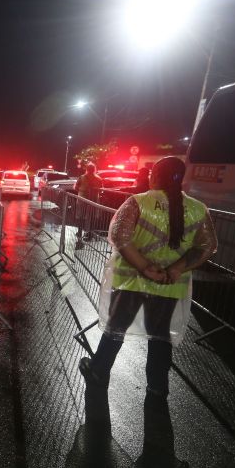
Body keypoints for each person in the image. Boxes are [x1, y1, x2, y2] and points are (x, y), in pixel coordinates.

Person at [79, 156, 217, 400]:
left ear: (155, 175)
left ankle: (99, 371)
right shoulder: (198, 209)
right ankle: (157, 387)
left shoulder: (138, 202)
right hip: (169, 287)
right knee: (160, 336)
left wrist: (144, 267)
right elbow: (207, 246)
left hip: (131, 281)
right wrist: (176, 269)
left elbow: (120, 237)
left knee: (116, 328)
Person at [74, 162, 104, 242]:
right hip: (93, 200)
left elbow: (76, 187)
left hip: (82, 199)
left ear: (86, 169)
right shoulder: (99, 179)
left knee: (81, 216)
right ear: (94, 169)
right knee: (92, 217)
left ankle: (79, 232)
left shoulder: (82, 177)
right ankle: (90, 234)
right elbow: (101, 190)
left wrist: (82, 190)